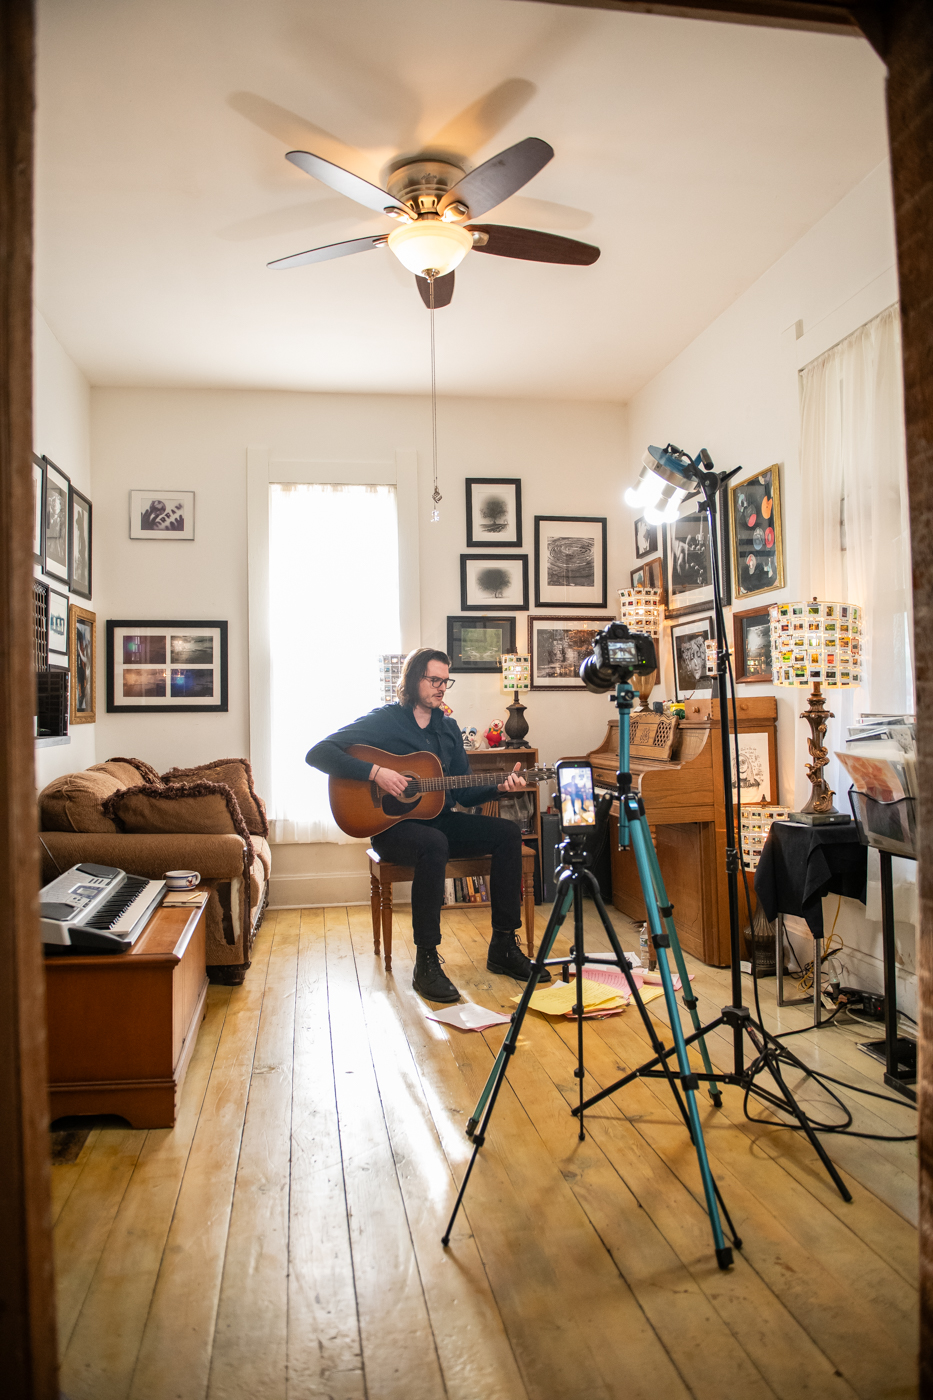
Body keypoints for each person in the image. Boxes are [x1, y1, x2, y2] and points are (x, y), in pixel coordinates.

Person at [306, 647, 551, 1004]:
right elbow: (318, 753)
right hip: (392, 829)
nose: (441, 688)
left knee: (507, 833)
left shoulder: (448, 728)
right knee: (433, 843)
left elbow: (462, 791)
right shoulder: (385, 720)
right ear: (413, 679)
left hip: (439, 820)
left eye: (445, 681)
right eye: (434, 680)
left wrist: (499, 787)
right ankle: (426, 961)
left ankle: (502, 946)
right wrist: (376, 773)